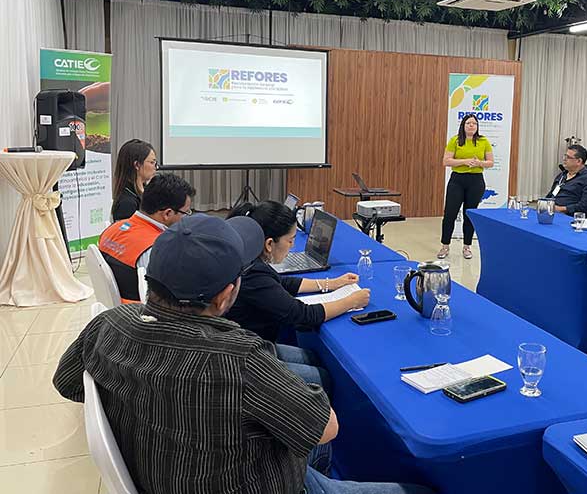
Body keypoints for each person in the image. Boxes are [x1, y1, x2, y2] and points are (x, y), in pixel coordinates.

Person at [53, 214, 433, 494]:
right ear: (225, 297)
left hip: (157, 474)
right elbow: (325, 428)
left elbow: (68, 383)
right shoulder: (238, 357)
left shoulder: (110, 323)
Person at [226, 200, 370, 387]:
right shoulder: (254, 273)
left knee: (311, 357)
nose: (293, 246)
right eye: (290, 240)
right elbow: (302, 315)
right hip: (245, 358)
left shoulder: (251, 259)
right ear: (269, 244)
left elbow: (282, 283)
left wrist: (332, 283)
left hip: (251, 344)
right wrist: (351, 301)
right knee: (322, 378)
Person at [98, 173, 195, 303]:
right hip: (140, 311)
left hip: (117, 308)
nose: (187, 218)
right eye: (186, 213)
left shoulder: (111, 230)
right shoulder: (156, 249)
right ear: (167, 213)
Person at [438, 114, 494, 260]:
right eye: (468, 123)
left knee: (469, 214)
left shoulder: (483, 141)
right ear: (463, 125)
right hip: (457, 180)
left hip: (476, 181)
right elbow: (446, 161)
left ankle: (467, 246)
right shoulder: (455, 140)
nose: (471, 125)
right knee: (450, 214)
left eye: (474, 123)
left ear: (477, 126)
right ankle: (445, 245)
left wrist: (479, 163)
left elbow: (490, 162)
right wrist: (464, 161)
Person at [545, 144, 587, 216]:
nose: (564, 159)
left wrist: (561, 209)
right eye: (565, 156)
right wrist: (543, 203)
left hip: (569, 216)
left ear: (579, 161)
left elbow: (584, 206)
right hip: (551, 211)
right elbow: (551, 195)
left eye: (568, 157)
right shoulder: (562, 175)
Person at [111, 139, 157, 221]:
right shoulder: (127, 203)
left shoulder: (145, 191)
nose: (156, 167)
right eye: (152, 162)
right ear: (137, 165)